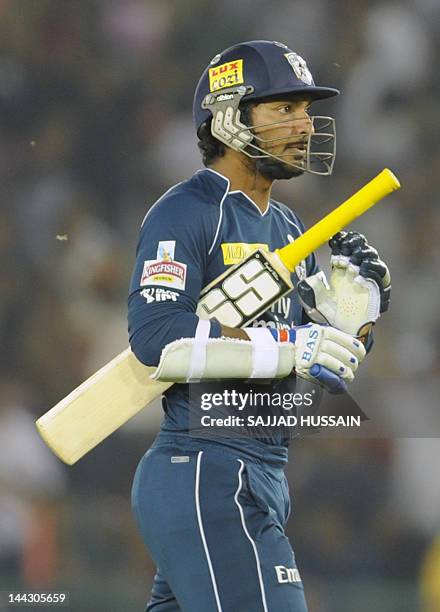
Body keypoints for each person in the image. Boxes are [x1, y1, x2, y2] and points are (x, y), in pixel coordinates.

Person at [128, 40, 390, 612]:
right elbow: (156, 340)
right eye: (283, 109)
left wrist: (355, 321)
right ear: (228, 118)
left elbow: (317, 364)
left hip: (259, 471)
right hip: (205, 466)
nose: (304, 125)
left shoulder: (289, 224)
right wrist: (294, 343)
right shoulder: (189, 210)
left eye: (305, 110)